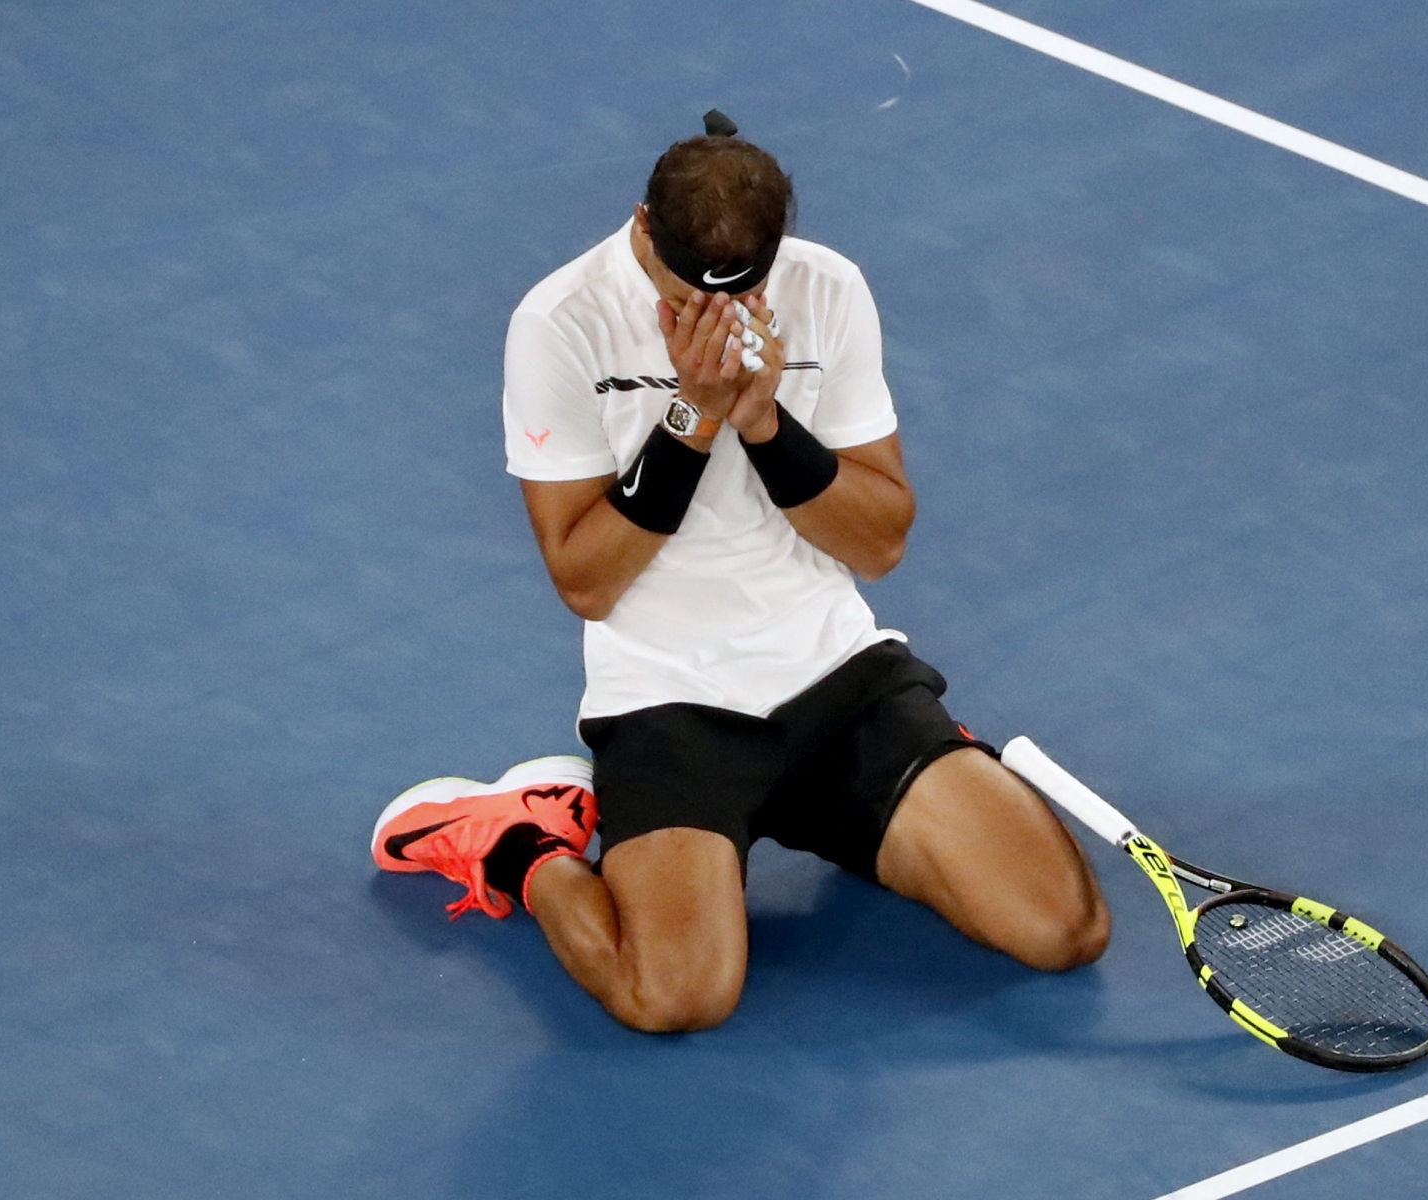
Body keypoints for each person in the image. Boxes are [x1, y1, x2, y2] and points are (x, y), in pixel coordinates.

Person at [372, 112, 1110, 1032]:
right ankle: (521, 839)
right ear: (643, 226)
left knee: (1063, 931)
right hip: (669, 704)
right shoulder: (559, 323)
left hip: (839, 681)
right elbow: (586, 581)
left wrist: (767, 424)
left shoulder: (827, 290)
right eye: (689, 290)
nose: (718, 316)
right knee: (673, 998)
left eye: (744, 289)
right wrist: (692, 418)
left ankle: (864, 811)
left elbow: (879, 543)